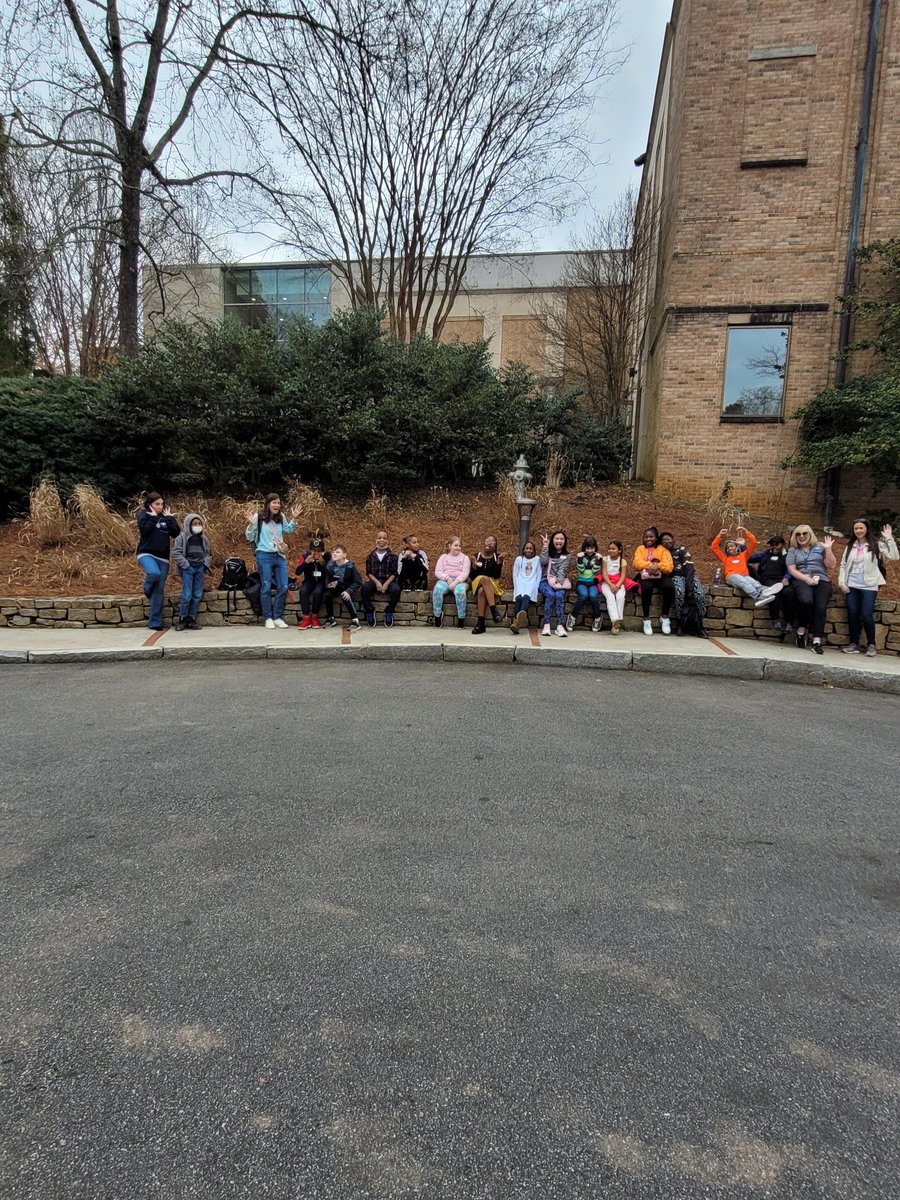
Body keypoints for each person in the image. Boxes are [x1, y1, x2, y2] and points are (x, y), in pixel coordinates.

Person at [838, 519, 898, 657]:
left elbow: (894, 556)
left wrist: (889, 539)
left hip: (869, 585)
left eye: (861, 528)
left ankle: (872, 644)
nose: (858, 531)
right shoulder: (850, 546)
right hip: (852, 585)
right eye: (856, 528)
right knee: (853, 614)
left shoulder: (876, 544)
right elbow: (843, 565)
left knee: (866, 614)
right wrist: (842, 582)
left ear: (867, 529)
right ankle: (854, 643)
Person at [245, 493, 300, 630]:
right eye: (274, 502)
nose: (277, 505)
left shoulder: (281, 517)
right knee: (266, 586)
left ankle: (277, 617)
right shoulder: (259, 518)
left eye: (278, 503)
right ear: (268, 504)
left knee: (284, 586)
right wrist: (251, 525)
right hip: (264, 555)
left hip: (279, 555)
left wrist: (294, 518)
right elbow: (249, 536)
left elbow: (288, 529)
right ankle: (268, 617)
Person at [786, 524, 837, 653]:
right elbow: (792, 570)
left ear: (810, 534)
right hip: (802, 579)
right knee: (806, 600)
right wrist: (806, 579)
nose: (801, 536)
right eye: (798, 534)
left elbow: (831, 565)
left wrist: (828, 550)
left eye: (804, 533)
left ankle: (816, 641)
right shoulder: (793, 550)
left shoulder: (820, 546)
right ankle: (801, 630)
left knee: (820, 607)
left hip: (822, 579)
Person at [136, 492, 180, 631]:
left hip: (163, 557)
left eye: (162, 504)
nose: (160, 507)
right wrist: (154, 519)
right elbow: (145, 530)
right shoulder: (144, 514)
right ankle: (147, 589)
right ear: (150, 505)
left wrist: (169, 519)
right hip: (146, 553)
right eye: (157, 504)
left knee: (159, 590)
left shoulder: (164, 517)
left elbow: (176, 533)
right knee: (153, 573)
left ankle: (155, 622)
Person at [711, 525, 782, 607]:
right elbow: (714, 548)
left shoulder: (743, 555)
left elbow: (753, 542)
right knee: (745, 583)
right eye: (727, 548)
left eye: (731, 546)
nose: (729, 549)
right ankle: (758, 598)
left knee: (755, 583)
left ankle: (766, 590)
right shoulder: (725, 558)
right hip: (732, 577)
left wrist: (745, 531)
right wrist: (719, 535)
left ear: (737, 547)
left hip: (744, 575)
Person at [660, 532, 707, 636]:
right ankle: (680, 622)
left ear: (673, 540)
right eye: (663, 541)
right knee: (679, 592)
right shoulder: (662, 553)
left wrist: (690, 588)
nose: (666, 542)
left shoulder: (681, 551)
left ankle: (699, 624)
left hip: (689, 576)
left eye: (668, 539)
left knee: (699, 594)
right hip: (676, 577)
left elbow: (689, 569)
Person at [172, 511, 212, 631]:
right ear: (188, 524)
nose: (197, 526)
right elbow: (175, 552)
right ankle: (183, 618)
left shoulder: (203, 539)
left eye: (199, 523)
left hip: (200, 568)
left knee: (197, 594)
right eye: (195, 523)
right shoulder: (181, 538)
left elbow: (208, 553)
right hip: (188, 568)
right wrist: (185, 564)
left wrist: (205, 564)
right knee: (187, 595)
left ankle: (191, 618)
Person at [749, 535, 795, 637]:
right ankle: (775, 619)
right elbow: (750, 558)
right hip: (767, 580)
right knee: (774, 592)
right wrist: (741, 549)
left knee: (789, 593)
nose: (774, 547)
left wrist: (786, 578)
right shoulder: (766, 554)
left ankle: (789, 622)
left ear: (783, 545)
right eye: (772, 545)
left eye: (777, 544)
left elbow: (791, 569)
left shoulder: (787, 556)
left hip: (783, 580)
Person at [633, 526, 674, 636]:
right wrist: (651, 565)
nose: (648, 539)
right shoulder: (640, 549)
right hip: (646, 575)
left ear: (656, 538)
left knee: (669, 586)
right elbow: (636, 563)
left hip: (660, 575)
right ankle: (646, 619)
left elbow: (669, 566)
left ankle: (664, 616)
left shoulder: (662, 549)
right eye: (646, 537)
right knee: (646, 588)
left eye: (651, 536)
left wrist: (658, 566)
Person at [362, 530, 401, 627]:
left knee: (396, 590)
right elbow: (369, 572)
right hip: (375, 581)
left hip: (389, 581)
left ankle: (389, 612)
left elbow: (394, 573)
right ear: (376, 540)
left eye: (384, 538)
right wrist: (377, 583)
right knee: (364, 588)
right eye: (379, 538)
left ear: (387, 541)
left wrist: (386, 584)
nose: (381, 540)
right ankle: (370, 612)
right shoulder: (371, 556)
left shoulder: (393, 556)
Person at [566, 536, 603, 633]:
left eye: (592, 548)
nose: (590, 550)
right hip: (582, 582)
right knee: (583, 595)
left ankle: (598, 618)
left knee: (593, 596)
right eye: (587, 548)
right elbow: (581, 570)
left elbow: (595, 571)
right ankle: (572, 617)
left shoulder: (597, 557)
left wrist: (598, 560)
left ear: (595, 548)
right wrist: (580, 559)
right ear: (584, 548)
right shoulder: (581, 557)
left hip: (593, 582)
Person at [539, 531, 572, 637]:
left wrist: (557, 582)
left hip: (559, 582)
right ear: (552, 540)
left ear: (564, 541)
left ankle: (560, 625)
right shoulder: (547, 552)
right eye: (556, 538)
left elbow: (563, 570)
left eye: (561, 539)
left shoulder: (567, 556)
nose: (559, 541)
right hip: (545, 581)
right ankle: (546, 624)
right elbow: (543, 562)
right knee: (550, 594)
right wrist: (545, 546)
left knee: (559, 595)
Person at [432, 537, 471, 628]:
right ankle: (437, 616)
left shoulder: (465, 558)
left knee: (459, 591)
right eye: (455, 545)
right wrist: (447, 578)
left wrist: (456, 582)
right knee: (437, 589)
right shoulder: (443, 557)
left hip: (460, 582)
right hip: (445, 580)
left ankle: (461, 618)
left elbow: (465, 573)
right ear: (450, 546)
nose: (458, 547)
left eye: (459, 546)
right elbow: (437, 572)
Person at [470, 535, 504, 635]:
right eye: (487, 540)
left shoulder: (497, 557)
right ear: (483, 543)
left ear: (495, 545)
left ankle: (481, 624)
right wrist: (474, 565)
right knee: (484, 578)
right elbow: (472, 577)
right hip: (477, 581)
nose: (489, 543)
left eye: (492, 541)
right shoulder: (476, 556)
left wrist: (499, 563)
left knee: (482, 592)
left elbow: (496, 576)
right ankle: (494, 611)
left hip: (492, 582)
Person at [323, 544, 362, 630]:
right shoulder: (330, 566)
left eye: (338, 552)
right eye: (333, 552)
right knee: (327, 595)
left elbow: (358, 581)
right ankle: (331, 618)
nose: (335, 554)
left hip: (348, 587)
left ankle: (355, 620)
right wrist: (329, 584)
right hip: (337, 586)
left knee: (344, 596)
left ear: (344, 555)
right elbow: (327, 578)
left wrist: (349, 591)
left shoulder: (350, 566)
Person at [296, 537, 329, 629]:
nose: (316, 553)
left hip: (321, 581)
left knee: (318, 592)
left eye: (319, 551)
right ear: (310, 550)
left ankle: (314, 617)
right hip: (309, 580)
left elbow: (331, 573)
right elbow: (297, 572)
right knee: (303, 590)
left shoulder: (326, 556)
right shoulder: (305, 556)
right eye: (314, 550)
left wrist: (323, 563)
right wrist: (306, 562)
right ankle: (306, 618)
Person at [600, 539, 632, 635]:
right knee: (610, 597)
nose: (611, 551)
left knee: (620, 597)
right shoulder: (605, 559)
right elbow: (604, 573)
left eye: (613, 549)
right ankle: (615, 620)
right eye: (609, 549)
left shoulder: (622, 561)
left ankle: (617, 622)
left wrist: (617, 586)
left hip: (619, 582)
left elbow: (623, 575)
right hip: (607, 582)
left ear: (619, 550)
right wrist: (611, 585)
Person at [510, 540, 541, 633]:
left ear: (534, 551)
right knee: (519, 598)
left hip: (531, 583)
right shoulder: (519, 559)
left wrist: (536, 586)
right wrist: (516, 586)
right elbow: (515, 573)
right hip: (520, 582)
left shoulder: (537, 559)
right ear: (523, 550)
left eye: (531, 548)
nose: (529, 550)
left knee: (526, 597)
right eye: (527, 548)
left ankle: (516, 623)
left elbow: (539, 573)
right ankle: (518, 622)